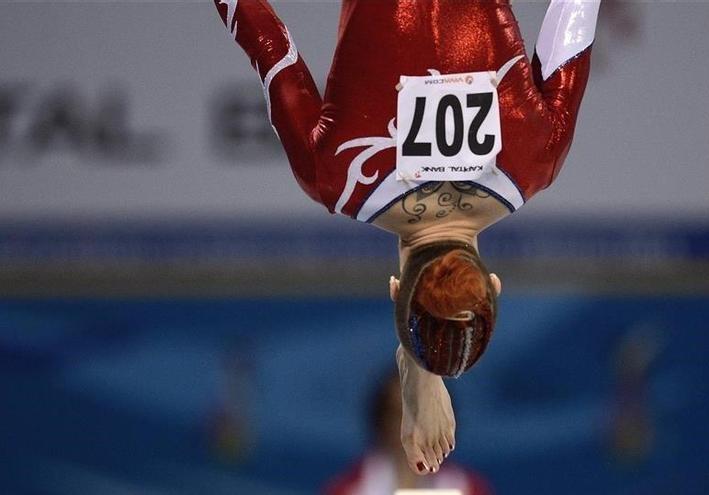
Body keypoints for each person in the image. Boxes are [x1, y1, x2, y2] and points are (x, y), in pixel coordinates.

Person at [213, 0, 600, 475]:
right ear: (395, 289)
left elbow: (575, 13)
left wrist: (425, 368)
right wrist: (419, 362)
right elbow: (264, 40)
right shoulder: (336, 176)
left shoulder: (539, 158)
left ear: (496, 284)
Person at [324, 371, 493, 495]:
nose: (411, 428)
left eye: (421, 415)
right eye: (398, 414)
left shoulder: (469, 489)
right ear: (380, 421)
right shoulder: (347, 490)